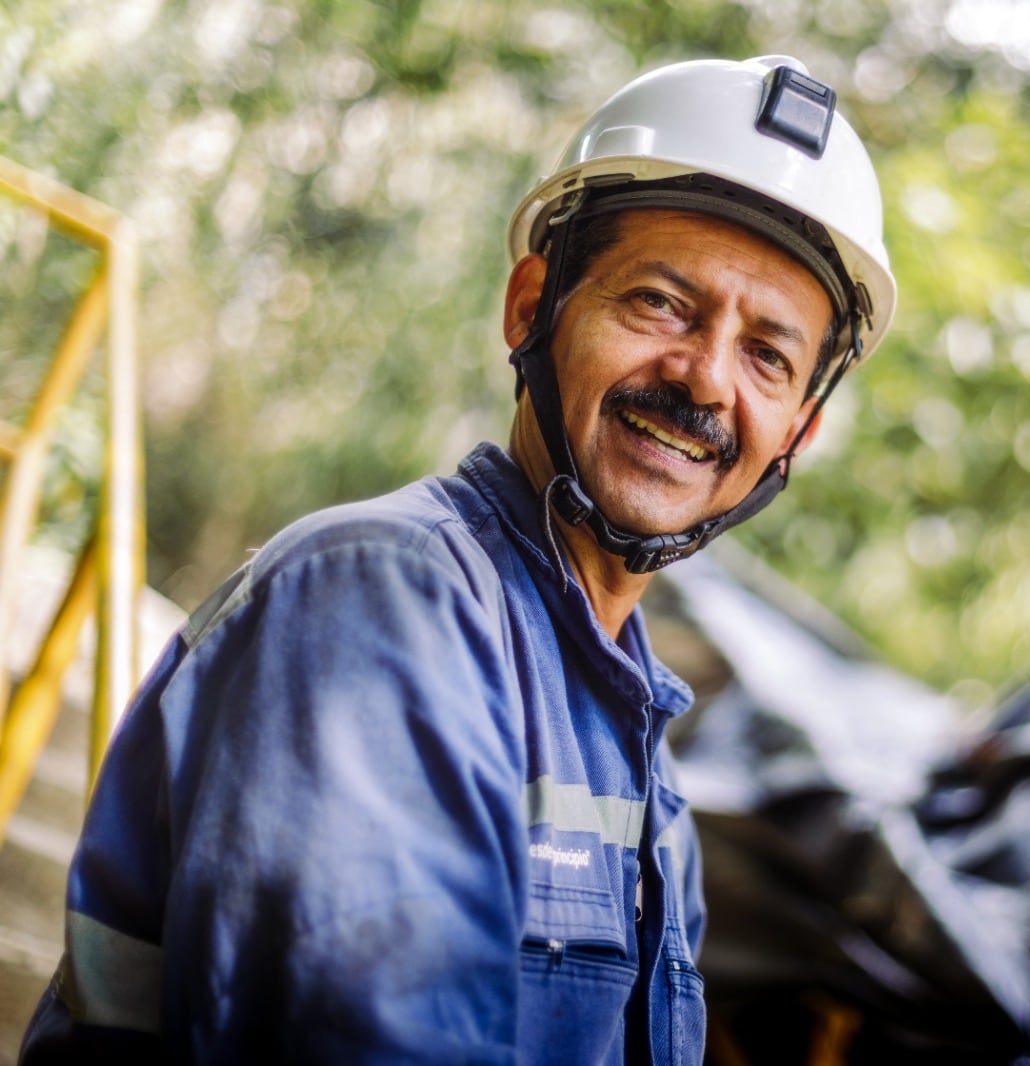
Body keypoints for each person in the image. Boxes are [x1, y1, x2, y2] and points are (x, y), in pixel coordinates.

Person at [20, 55, 895, 1064]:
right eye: (661, 302)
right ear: (533, 306)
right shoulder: (375, 600)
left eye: (768, 354)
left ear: (799, 430)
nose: (704, 375)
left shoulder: (648, 777)